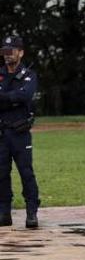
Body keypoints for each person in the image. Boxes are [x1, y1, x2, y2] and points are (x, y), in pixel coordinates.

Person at [0, 35, 40, 228]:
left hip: (20, 132)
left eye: (12, 51)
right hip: (2, 133)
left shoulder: (29, 75)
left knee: (26, 172)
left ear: (21, 52)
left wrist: (5, 98)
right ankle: (4, 213)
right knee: (1, 173)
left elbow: (26, 95)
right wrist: (13, 98)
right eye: (4, 51)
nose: (7, 55)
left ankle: (31, 212)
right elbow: (18, 96)